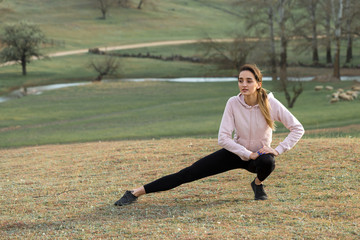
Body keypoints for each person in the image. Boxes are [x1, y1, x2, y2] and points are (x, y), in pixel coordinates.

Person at [114, 64, 304, 206]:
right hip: (236, 153)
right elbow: (223, 138)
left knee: (268, 162)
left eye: (248, 81)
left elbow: (297, 128)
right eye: (240, 80)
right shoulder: (233, 103)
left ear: (258, 84)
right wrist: (246, 154)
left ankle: (257, 184)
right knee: (188, 173)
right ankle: (135, 193)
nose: (243, 84)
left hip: (259, 157)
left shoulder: (271, 104)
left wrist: (277, 150)